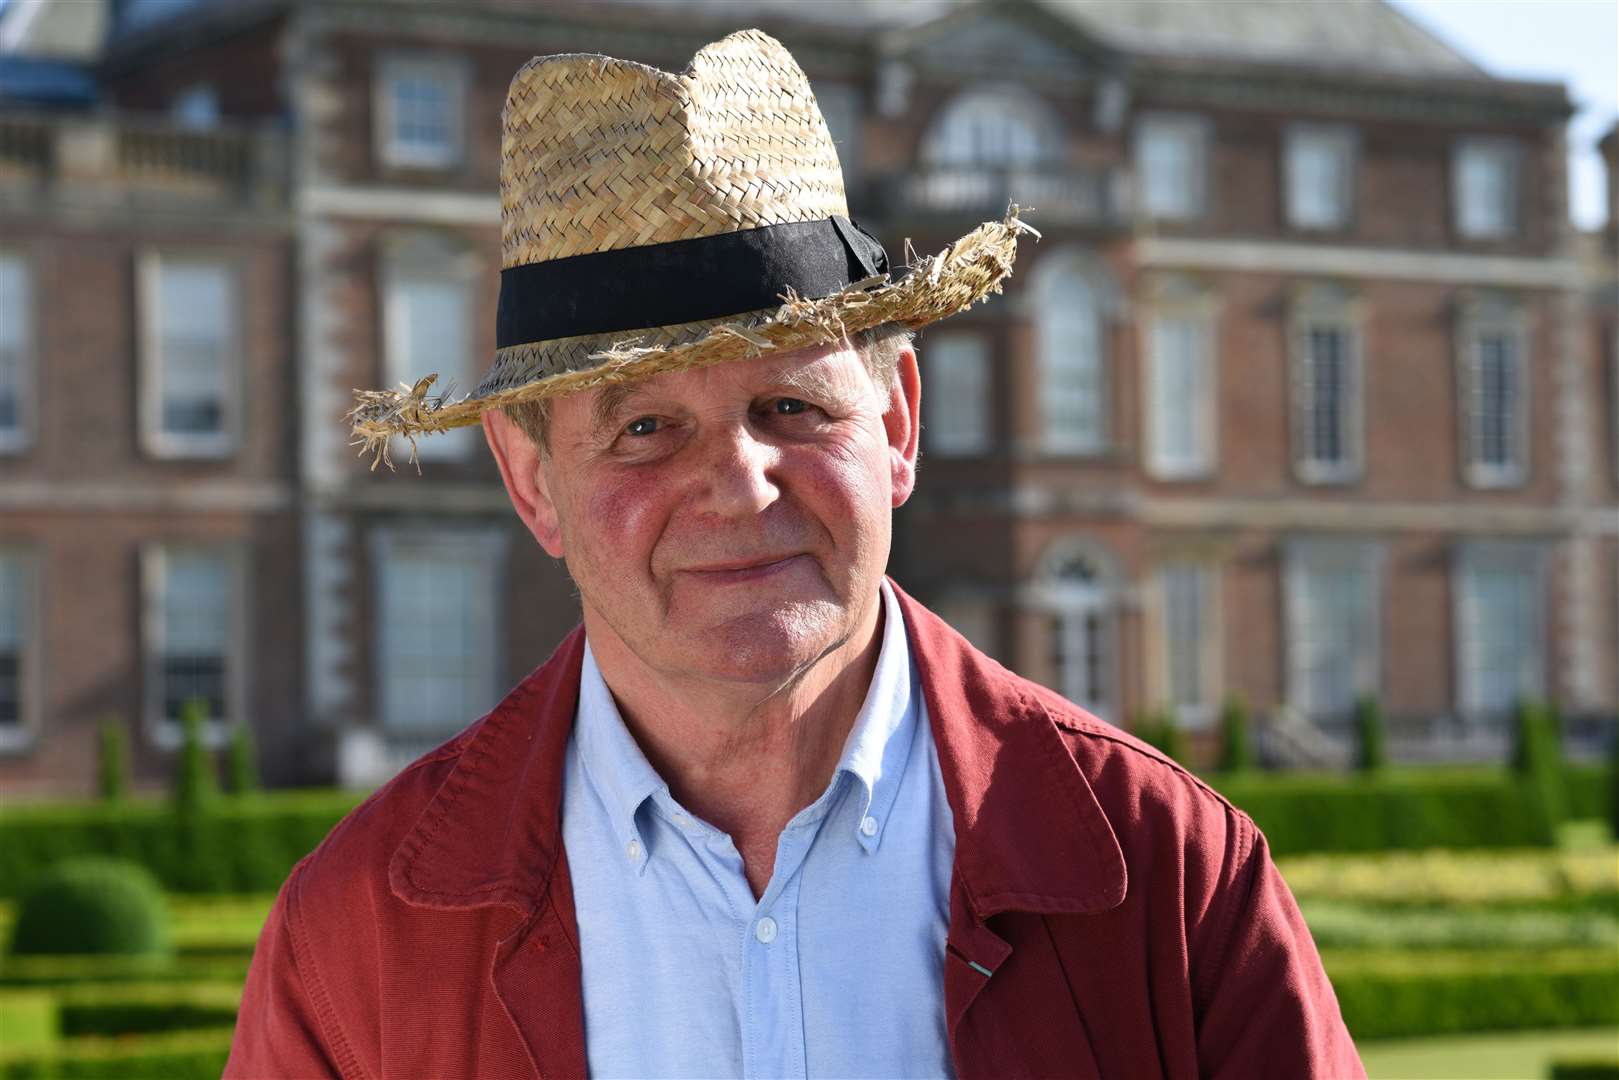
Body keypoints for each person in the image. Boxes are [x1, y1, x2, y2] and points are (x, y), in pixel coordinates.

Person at [227, 29, 1363, 1080]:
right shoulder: (362, 932)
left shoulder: (1165, 870)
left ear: (898, 425)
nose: (738, 484)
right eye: (642, 429)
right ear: (534, 483)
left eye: (788, 405)